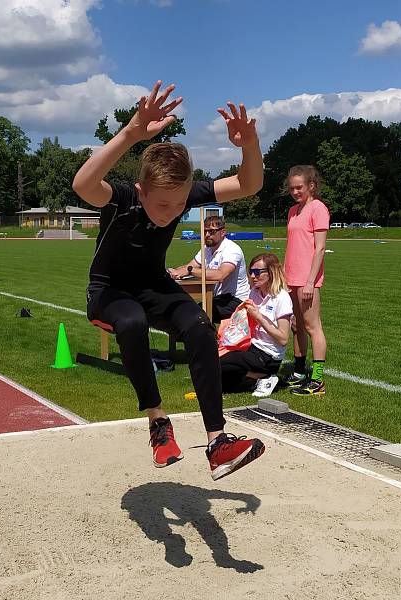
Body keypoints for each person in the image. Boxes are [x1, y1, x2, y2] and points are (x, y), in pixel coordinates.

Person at [72, 80, 265, 481]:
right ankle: (158, 422)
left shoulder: (182, 195)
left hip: (155, 286)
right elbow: (83, 184)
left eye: (179, 204)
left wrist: (249, 145)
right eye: (162, 204)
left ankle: (217, 442)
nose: (170, 212)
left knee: (198, 327)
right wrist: (131, 132)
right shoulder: (122, 198)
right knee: (132, 322)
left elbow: (249, 184)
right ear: (141, 191)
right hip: (109, 291)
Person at [218, 253, 292, 398]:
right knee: (217, 376)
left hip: (268, 354)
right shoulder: (254, 293)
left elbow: (283, 339)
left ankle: (264, 375)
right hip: (251, 347)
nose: (252, 276)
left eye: (257, 272)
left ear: (271, 272)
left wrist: (258, 317)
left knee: (222, 364)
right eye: (250, 272)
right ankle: (257, 379)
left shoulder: (281, 298)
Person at [283, 165, 329, 395]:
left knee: (312, 327)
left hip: (307, 278)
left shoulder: (318, 209)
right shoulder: (293, 211)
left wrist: (311, 281)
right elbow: (292, 246)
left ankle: (318, 380)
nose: (295, 192)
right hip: (291, 277)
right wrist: (283, 274)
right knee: (296, 325)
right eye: (291, 188)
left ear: (311, 185)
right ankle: (299, 371)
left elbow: (320, 249)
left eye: (299, 187)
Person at [167, 214, 250, 322]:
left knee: (197, 314)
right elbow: (190, 265)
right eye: (205, 231)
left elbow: (220, 275)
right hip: (218, 298)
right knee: (190, 309)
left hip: (236, 300)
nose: (207, 235)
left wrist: (190, 270)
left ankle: (210, 337)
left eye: (211, 232)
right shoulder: (206, 249)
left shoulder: (232, 250)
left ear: (223, 232)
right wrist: (174, 271)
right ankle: (211, 337)